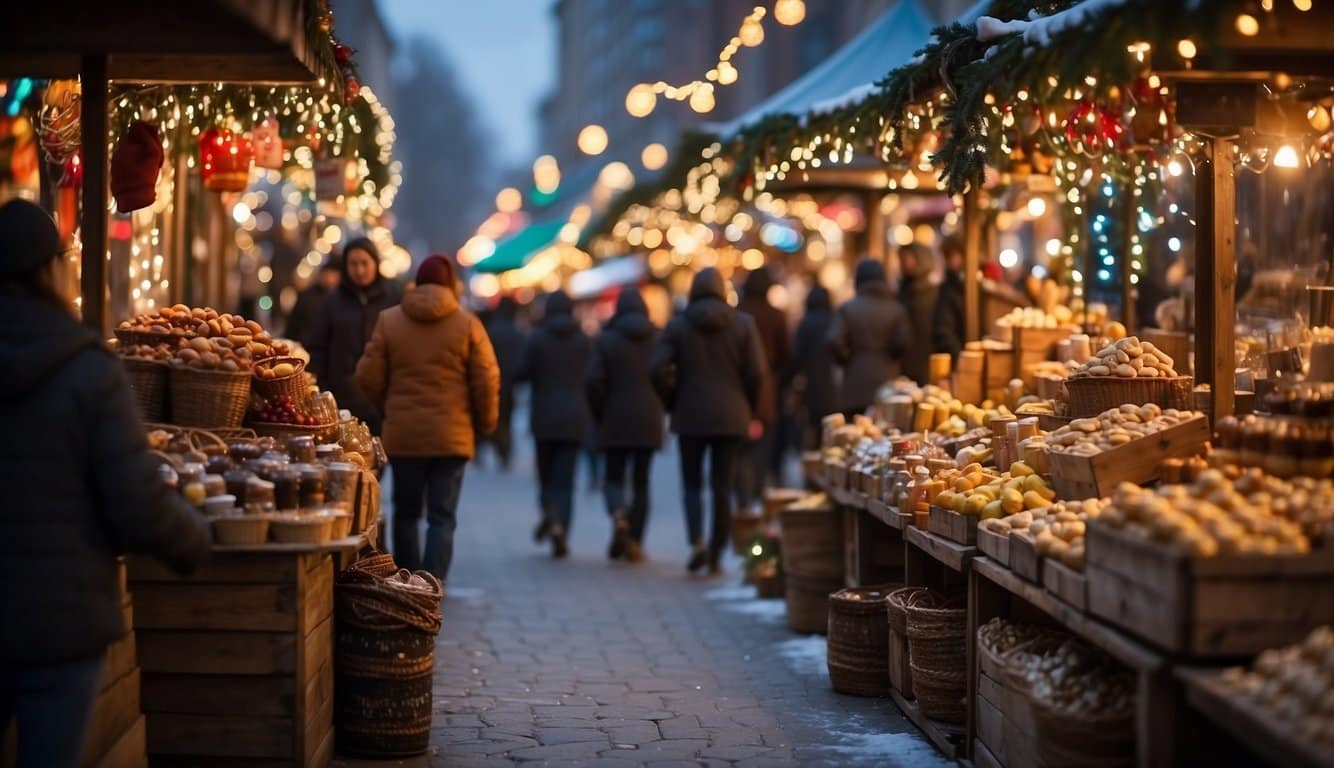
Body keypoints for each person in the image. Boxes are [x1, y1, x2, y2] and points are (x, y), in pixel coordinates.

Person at [0, 199, 211, 767]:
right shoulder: (87, 367)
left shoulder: (88, 366)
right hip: (59, 625)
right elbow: (136, 500)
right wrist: (195, 538)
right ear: (51, 270)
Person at [354, 254, 499, 582]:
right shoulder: (467, 324)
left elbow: (366, 374)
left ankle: (407, 580)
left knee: (406, 512)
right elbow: (487, 378)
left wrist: (387, 406)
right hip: (452, 436)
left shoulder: (389, 321)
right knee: (442, 515)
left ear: (417, 283)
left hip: (404, 435)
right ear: (451, 285)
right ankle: (433, 582)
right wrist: (485, 424)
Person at [652, 268, 767, 575]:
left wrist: (670, 399)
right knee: (722, 484)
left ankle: (697, 541)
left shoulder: (679, 325)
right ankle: (717, 553)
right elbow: (757, 372)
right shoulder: (743, 324)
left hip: (689, 414)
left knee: (691, 483)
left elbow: (656, 367)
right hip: (732, 415)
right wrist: (749, 407)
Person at [585, 289, 663, 563]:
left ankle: (618, 512)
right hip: (649, 418)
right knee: (642, 482)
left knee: (614, 477)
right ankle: (636, 541)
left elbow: (593, 381)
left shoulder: (606, 340)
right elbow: (667, 374)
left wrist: (600, 412)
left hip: (614, 417)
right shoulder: (657, 337)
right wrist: (662, 404)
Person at [517, 290, 591, 558]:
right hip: (575, 417)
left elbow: (521, 372)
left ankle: (550, 514)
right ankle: (561, 526)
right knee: (566, 481)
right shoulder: (584, 340)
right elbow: (593, 376)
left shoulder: (537, 339)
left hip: (544, 417)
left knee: (546, 477)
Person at [309, 238, 401, 436]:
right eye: (353, 264)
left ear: (375, 263)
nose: (359, 270)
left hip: (382, 398)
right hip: (342, 397)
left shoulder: (393, 297)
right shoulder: (332, 301)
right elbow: (318, 345)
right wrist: (324, 387)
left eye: (364, 263)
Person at [736, 267, 789, 510]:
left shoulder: (738, 315)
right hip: (768, 390)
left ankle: (745, 502)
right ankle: (757, 497)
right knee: (762, 450)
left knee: (742, 452)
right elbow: (786, 355)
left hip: (739, 391)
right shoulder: (776, 316)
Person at [829, 259, 909, 416]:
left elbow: (834, 340)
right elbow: (902, 343)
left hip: (854, 385)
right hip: (887, 383)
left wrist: (847, 360)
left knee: (855, 434)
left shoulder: (847, 309)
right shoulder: (896, 309)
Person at [785, 284, 837, 450]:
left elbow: (796, 357)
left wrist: (788, 381)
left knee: (813, 429)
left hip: (811, 385)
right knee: (831, 430)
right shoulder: (834, 319)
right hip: (832, 385)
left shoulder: (805, 323)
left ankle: (813, 466)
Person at [481, 296, 526, 471]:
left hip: (491, 382)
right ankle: (504, 451)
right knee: (506, 418)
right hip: (509, 383)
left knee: (493, 417)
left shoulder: (491, 331)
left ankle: (495, 446)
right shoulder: (517, 333)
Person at [897, 244, 938, 385]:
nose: (907, 262)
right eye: (904, 258)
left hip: (927, 361)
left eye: (911, 257)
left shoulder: (934, 293)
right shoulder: (900, 292)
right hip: (903, 365)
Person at [285, 255, 341, 346]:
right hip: (305, 347)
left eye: (334, 274)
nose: (331, 278)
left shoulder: (343, 299)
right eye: (328, 274)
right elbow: (293, 326)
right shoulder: (306, 296)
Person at [932, 237, 967, 362]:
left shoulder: (971, 285)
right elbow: (944, 329)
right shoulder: (947, 289)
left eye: (952, 255)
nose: (950, 261)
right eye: (947, 256)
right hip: (959, 358)